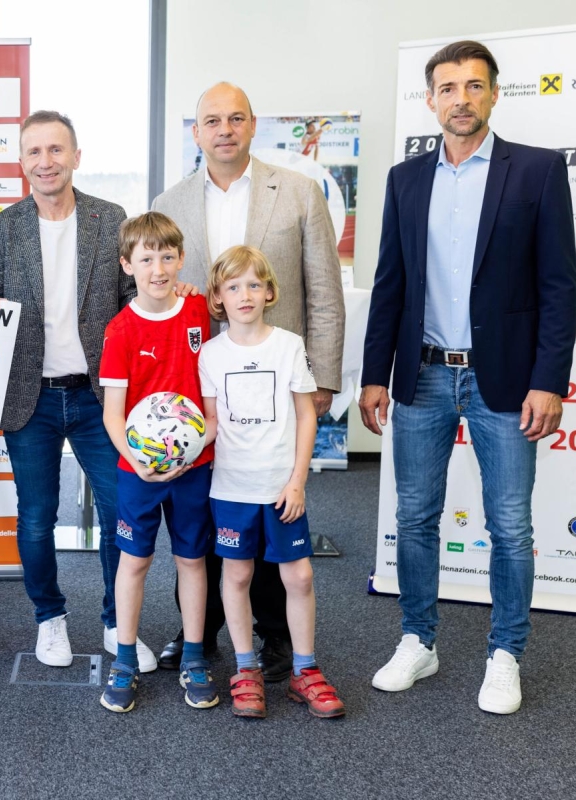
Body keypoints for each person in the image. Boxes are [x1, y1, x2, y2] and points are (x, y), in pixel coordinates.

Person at [360, 40, 575, 715]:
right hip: (421, 376)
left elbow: (557, 285)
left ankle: (505, 653)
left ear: (493, 94)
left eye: (473, 86)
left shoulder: (536, 172)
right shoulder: (406, 179)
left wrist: (550, 379)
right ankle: (419, 641)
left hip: (505, 381)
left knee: (509, 524)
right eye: (448, 87)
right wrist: (373, 375)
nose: (461, 99)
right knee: (416, 517)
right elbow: (390, 284)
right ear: (430, 99)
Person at [152, 82, 345, 678]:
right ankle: (199, 633)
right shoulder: (171, 201)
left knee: (270, 505)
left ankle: (277, 639)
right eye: (212, 120)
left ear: (253, 125)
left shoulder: (298, 193)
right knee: (205, 510)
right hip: (200, 384)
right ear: (196, 132)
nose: (225, 129)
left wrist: (325, 378)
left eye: (236, 118)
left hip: (278, 382)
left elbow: (324, 293)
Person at [0, 111, 159, 673]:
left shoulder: (111, 219)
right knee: (35, 517)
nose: (46, 161)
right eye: (34, 151)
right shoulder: (2, 228)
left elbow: (135, 300)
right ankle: (48, 619)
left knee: (117, 508)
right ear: (22, 161)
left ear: (76, 156)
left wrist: (169, 289)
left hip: (99, 397)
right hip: (31, 396)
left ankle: (114, 622)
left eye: (57, 149)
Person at [200, 244, 344, 719]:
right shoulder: (211, 354)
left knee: (298, 576)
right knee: (236, 575)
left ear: (269, 292)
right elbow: (213, 422)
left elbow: (307, 417)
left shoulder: (288, 346)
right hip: (232, 489)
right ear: (219, 296)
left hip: (282, 487)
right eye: (234, 286)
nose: (245, 295)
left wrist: (298, 481)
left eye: (254, 285)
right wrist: (174, 447)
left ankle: (305, 670)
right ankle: (245, 669)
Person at [97, 212, 220, 712]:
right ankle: (124, 659)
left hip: (195, 467)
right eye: (146, 259)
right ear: (127, 265)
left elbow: (212, 406)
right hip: (139, 473)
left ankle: (194, 658)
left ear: (181, 259)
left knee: (192, 560)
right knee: (136, 561)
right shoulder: (120, 330)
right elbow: (112, 415)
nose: (158, 268)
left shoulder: (196, 311)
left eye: (167, 257)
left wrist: (198, 445)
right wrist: (137, 460)